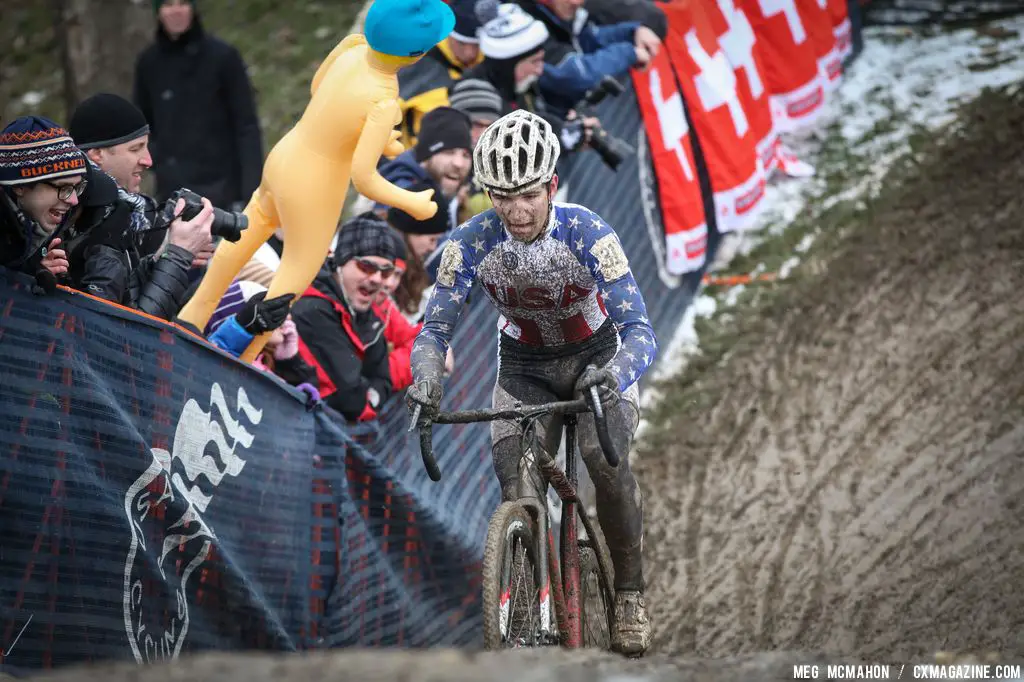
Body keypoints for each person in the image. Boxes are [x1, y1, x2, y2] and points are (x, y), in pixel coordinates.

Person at [406, 110, 657, 655]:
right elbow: (433, 331)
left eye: (527, 195)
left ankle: (631, 593)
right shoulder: (468, 243)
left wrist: (613, 376)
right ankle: (533, 602)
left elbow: (640, 330)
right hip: (524, 369)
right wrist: (425, 378)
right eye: (500, 196)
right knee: (518, 485)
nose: (516, 211)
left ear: (551, 185)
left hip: (597, 360)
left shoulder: (588, 233)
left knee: (602, 460)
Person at [134, 0, 263, 211]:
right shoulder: (148, 63)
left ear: (193, 8)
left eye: (183, 3)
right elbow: (141, 125)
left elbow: (246, 126)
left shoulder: (224, 57)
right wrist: (160, 161)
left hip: (224, 192)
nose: (176, 11)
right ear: (158, 12)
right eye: (167, 4)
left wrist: (251, 190)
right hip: (173, 193)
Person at [290, 213, 397, 423]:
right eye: (366, 267)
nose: (376, 279)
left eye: (385, 272)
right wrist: (366, 392)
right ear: (341, 262)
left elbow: (383, 381)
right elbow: (351, 400)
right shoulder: (313, 308)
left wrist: (370, 396)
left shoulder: (369, 314)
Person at [514, 0, 661, 120]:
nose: (576, 2)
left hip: (564, 121)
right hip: (538, 126)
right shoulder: (521, 21)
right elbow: (574, 74)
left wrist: (633, 31)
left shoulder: (562, 10)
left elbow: (589, 38)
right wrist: (629, 52)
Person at [0, 117, 88, 274]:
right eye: (63, 187)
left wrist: (33, 271)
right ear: (20, 186)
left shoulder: (38, 223)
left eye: (76, 187)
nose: (74, 200)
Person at [397, 0, 484, 148]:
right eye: (462, 43)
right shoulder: (416, 65)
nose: (470, 53)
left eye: (476, 44)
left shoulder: (489, 63)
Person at [374, 106, 473, 223]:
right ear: (426, 156)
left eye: (466, 155)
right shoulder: (402, 195)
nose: (459, 163)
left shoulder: (462, 195)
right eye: (448, 152)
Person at [386, 176, 451, 322]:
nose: (433, 247)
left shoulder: (413, 267)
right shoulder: (385, 264)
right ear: (412, 232)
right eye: (431, 239)